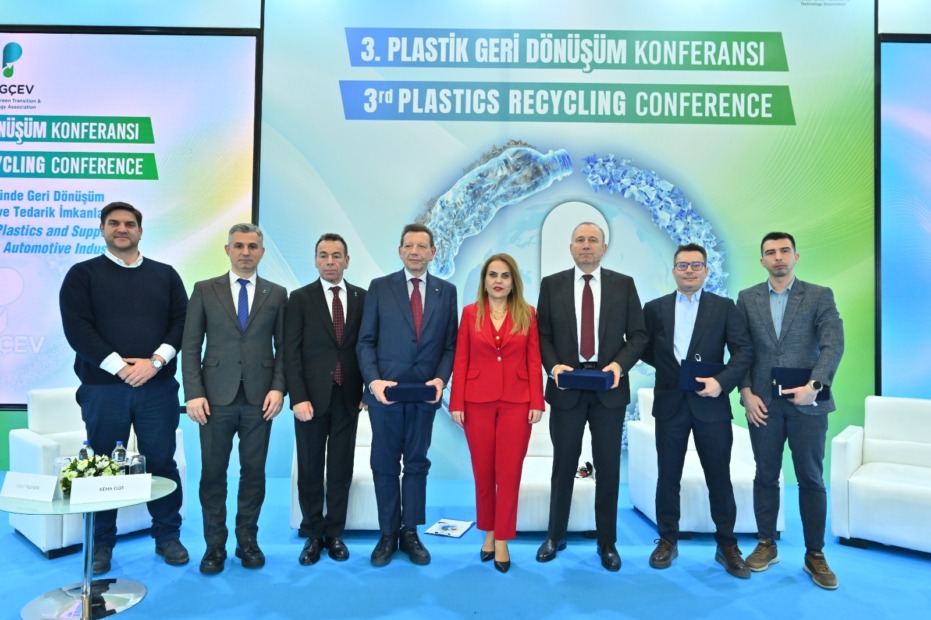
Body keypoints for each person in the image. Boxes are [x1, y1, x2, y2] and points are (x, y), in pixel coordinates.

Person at [59, 201, 189, 574]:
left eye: (129, 224)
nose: (122, 229)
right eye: (114, 223)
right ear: (102, 229)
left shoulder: (165, 275)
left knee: (161, 462)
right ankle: (101, 545)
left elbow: (181, 322)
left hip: (157, 388)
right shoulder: (82, 275)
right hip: (103, 389)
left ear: (140, 231)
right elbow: (77, 328)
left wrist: (155, 363)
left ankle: (167, 536)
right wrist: (121, 368)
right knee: (103, 465)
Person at [535, 222, 648, 571]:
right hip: (566, 388)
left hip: (608, 389)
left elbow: (639, 336)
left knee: (608, 469)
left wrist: (618, 366)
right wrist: (553, 368)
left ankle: (607, 541)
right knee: (563, 465)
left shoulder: (623, 284)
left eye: (593, 240)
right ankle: (555, 535)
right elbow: (542, 336)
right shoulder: (551, 284)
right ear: (571, 247)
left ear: (604, 248)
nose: (586, 245)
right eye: (580, 240)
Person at [737, 232, 844, 590]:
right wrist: (745, 392)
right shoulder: (747, 298)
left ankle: (815, 554)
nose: (778, 257)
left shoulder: (819, 295)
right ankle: (766, 543)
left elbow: (833, 344)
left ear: (796, 256)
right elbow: (742, 350)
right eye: (771, 252)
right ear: (762, 260)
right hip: (763, 404)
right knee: (765, 474)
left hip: (808, 404)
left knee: (811, 477)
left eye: (785, 251)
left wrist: (815, 386)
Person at [641, 243, 754, 578]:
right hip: (670, 403)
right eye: (682, 265)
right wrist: (671, 370)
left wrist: (722, 382)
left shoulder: (724, 307)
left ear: (706, 270)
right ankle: (667, 540)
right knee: (668, 476)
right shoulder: (655, 308)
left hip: (711, 404)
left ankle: (727, 545)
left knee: (719, 476)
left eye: (695, 265)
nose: (689, 271)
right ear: (673, 270)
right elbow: (644, 348)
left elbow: (743, 351)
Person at [181, 223, 286, 574]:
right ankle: (214, 546)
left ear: (262, 252)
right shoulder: (204, 289)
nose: (245, 252)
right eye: (238, 245)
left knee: (253, 473)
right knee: (213, 474)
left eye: (252, 246)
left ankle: (247, 541)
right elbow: (190, 346)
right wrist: (193, 393)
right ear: (227, 250)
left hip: (260, 400)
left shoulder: (277, 293)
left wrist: (278, 388)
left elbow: (284, 348)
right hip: (214, 399)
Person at [357, 223, 458, 567]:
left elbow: (450, 345)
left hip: (424, 396)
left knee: (416, 464)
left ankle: (410, 532)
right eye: (409, 246)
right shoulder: (379, 287)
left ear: (433, 252)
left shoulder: (447, 291)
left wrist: (441, 381)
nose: (415, 251)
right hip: (386, 394)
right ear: (400, 251)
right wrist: (374, 382)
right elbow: (365, 341)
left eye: (422, 246)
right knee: (384, 464)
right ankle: (388, 534)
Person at [449, 254, 545, 573]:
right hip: (476, 402)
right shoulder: (470, 313)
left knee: (509, 474)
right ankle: (488, 531)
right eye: (493, 275)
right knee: (483, 473)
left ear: (513, 281)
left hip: (518, 402)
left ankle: (502, 538)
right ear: (484, 281)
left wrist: (537, 401)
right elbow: (461, 359)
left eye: (505, 275)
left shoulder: (528, 313)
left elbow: (534, 360)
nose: (498, 281)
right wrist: (456, 402)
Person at [285, 233, 366, 566]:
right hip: (311, 400)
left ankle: (335, 534)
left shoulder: (363, 297)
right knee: (310, 468)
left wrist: (366, 391)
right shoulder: (299, 298)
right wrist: (298, 397)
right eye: (323, 255)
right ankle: (313, 534)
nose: (330, 261)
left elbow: (368, 346)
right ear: (315, 260)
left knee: (341, 469)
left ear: (347, 260)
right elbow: (290, 352)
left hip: (349, 397)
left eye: (336, 255)